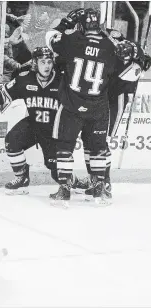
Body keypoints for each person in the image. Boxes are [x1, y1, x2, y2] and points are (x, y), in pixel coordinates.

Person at [45, 8, 139, 206]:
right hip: (98, 107)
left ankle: (64, 191)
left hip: (72, 105)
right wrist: (133, 51)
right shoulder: (110, 46)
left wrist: (65, 24)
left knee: (64, 147)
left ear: (80, 24)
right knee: (97, 148)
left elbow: (50, 38)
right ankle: (99, 190)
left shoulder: (72, 41)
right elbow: (137, 68)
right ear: (100, 24)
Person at [0, 47, 63, 195]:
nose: (47, 66)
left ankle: (74, 183)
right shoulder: (25, 79)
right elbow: (4, 94)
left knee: (56, 173)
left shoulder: (61, 80)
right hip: (33, 124)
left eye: (49, 62)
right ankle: (21, 178)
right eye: (42, 62)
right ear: (35, 63)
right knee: (12, 140)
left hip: (53, 130)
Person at [81, 31, 150, 200]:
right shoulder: (129, 48)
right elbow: (116, 37)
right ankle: (93, 179)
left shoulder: (129, 69)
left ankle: (104, 182)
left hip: (114, 102)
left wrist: (143, 61)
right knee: (87, 137)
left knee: (100, 140)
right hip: (100, 99)